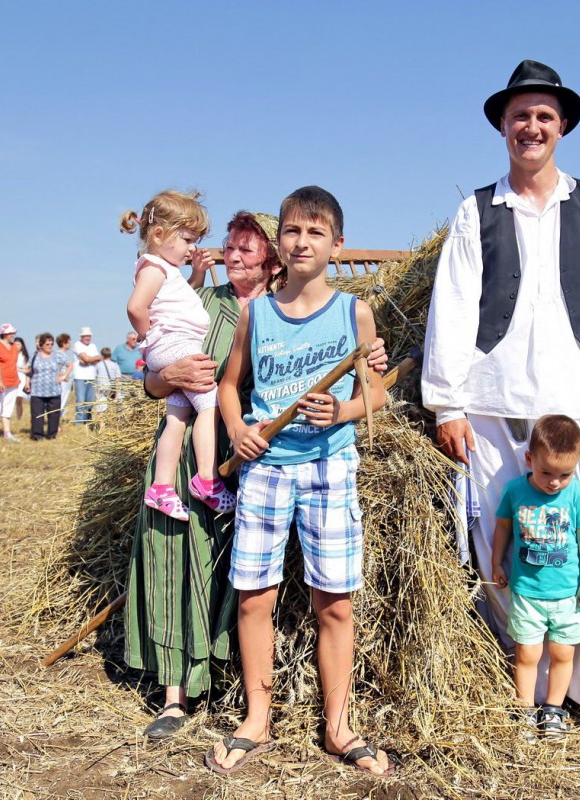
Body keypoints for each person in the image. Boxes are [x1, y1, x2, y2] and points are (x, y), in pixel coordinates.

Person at [420, 60, 580, 723]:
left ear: (561, 127)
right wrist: (446, 402)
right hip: (491, 411)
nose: (530, 127)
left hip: (575, 410)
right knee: (499, 545)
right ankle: (521, 693)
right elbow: (452, 306)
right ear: (502, 127)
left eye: (543, 116)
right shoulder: (476, 211)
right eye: (520, 116)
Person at [125, 210, 398, 742]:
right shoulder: (202, 301)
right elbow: (160, 371)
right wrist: (172, 378)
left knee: (303, 595)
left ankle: (322, 719)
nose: (233, 256)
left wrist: (346, 406)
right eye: (229, 247)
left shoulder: (337, 311)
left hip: (287, 460)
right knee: (195, 568)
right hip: (212, 460)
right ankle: (188, 697)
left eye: (246, 249)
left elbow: (373, 388)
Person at [210, 186, 390, 776]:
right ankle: (257, 719)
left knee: (334, 600)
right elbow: (230, 385)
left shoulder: (353, 313)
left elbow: (376, 395)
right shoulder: (257, 313)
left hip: (328, 468)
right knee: (255, 596)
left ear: (337, 245)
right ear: (279, 244)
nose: (303, 242)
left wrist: (342, 412)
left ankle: (338, 726)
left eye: (316, 233)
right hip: (266, 469)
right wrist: (238, 430)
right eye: (292, 231)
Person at [122, 190, 234, 517]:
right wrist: (151, 335)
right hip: (175, 344)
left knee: (177, 417)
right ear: (159, 234)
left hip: (171, 346)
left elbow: (179, 299)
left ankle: (161, 488)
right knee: (210, 403)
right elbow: (135, 307)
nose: (191, 248)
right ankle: (207, 480)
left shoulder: (164, 269)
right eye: (187, 240)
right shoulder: (154, 268)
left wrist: (197, 275)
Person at [490, 415, 580, 742]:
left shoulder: (577, 494)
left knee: (563, 654)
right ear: (529, 459)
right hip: (528, 593)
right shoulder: (515, 490)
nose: (554, 483)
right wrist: (496, 563)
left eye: (565, 474)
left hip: (568, 596)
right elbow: (503, 529)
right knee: (528, 655)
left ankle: (553, 709)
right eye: (546, 472)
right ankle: (524, 709)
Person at [27, 333, 71, 440]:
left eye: (51, 344)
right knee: (37, 415)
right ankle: (37, 436)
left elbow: (70, 365)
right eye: (47, 344)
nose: (50, 346)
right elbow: (29, 370)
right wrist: (27, 383)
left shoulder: (58, 355)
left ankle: (52, 435)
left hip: (54, 390)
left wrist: (64, 376)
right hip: (37, 390)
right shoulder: (35, 356)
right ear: (41, 345)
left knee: (54, 415)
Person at [0, 324, 24, 442]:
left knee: (8, 406)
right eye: (11, 333)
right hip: (1, 381)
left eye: (13, 333)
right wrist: (0, 380)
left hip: (13, 381)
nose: (13, 335)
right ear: (5, 334)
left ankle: (7, 432)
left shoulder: (14, 347)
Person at [72, 327, 102, 424]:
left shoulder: (93, 346)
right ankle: (80, 421)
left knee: (90, 401)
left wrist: (89, 359)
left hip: (91, 376)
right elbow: (87, 359)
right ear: (81, 337)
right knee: (80, 401)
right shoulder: (77, 345)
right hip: (80, 376)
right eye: (85, 336)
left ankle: (88, 420)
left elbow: (97, 359)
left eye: (89, 336)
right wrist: (92, 359)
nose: (87, 338)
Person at [94, 347, 120, 416]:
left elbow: (95, 377)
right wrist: (117, 394)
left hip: (101, 388)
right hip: (111, 389)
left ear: (102, 355)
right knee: (112, 410)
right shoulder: (115, 365)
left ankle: (101, 422)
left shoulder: (98, 365)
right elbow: (117, 380)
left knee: (101, 410)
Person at [56, 333, 74, 414]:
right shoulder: (59, 354)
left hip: (66, 381)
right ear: (64, 343)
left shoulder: (63, 354)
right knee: (62, 401)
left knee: (64, 401)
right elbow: (57, 368)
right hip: (63, 382)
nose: (70, 344)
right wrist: (64, 376)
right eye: (69, 342)